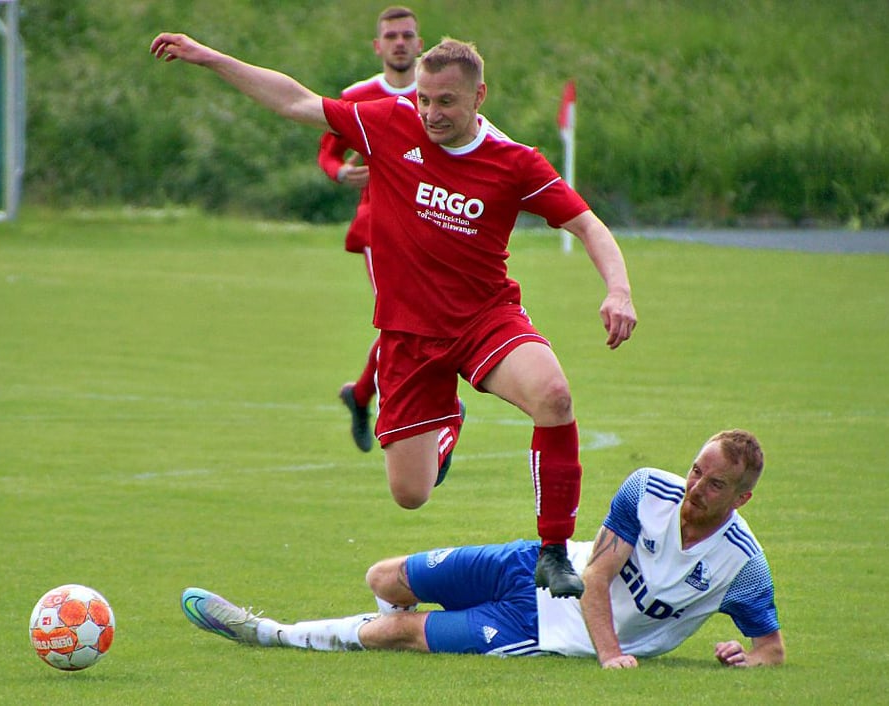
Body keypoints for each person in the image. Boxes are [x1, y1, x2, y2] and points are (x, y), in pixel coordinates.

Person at [150, 30, 638, 596]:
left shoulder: (514, 162)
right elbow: (295, 101)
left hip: (486, 320)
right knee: (411, 494)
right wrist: (209, 57)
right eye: (425, 99)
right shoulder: (389, 122)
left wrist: (618, 290)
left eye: (446, 102)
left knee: (554, 397)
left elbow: (587, 225)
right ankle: (447, 422)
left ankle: (553, 552)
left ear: (479, 97)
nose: (430, 112)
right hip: (407, 338)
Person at [180, 430, 786, 668]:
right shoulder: (647, 488)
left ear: (742, 498)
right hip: (538, 565)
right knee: (386, 577)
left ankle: (267, 632)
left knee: (403, 634)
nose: (694, 489)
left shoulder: (742, 563)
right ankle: (373, 623)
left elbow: (772, 650)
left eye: (714, 484)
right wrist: (614, 655)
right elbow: (597, 576)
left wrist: (742, 656)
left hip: (548, 628)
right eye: (695, 471)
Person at [316, 7, 428, 456]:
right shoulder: (358, 96)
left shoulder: (437, 94)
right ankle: (437, 408)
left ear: (421, 44)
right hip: (378, 228)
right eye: (390, 36)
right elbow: (327, 154)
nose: (399, 43)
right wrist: (341, 173)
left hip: (431, 226)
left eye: (407, 35)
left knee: (417, 318)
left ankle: (362, 395)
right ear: (377, 46)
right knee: (404, 317)